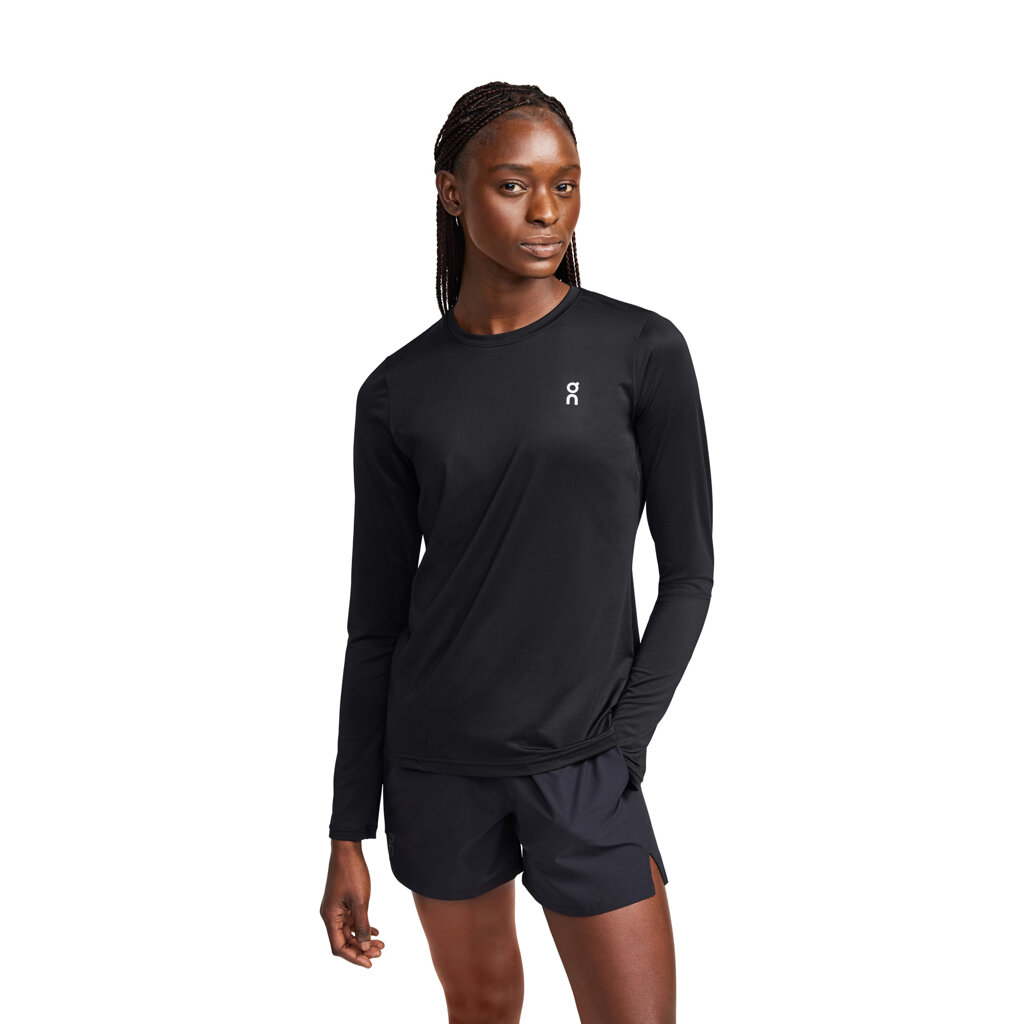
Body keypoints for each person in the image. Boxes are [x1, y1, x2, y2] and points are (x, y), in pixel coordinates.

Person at [320, 81, 714, 1024]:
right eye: (513, 184)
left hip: (584, 764)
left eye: (565, 184)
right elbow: (376, 625)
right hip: (435, 763)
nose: (546, 211)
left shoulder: (640, 350)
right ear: (452, 193)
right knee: (482, 1009)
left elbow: (690, 574)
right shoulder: (398, 391)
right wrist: (347, 829)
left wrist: (623, 743)